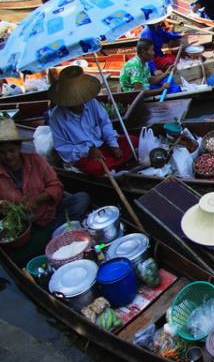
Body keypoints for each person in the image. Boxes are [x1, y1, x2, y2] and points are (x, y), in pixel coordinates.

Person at [0, 117, 90, 266]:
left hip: (50, 213)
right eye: (2, 153)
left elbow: (56, 186)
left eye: (11, 151)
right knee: (15, 257)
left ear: (19, 148)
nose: (8, 156)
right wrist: (6, 206)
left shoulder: (35, 160)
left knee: (82, 198)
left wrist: (37, 199)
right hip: (26, 227)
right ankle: (54, 235)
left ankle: (50, 236)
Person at [48, 66, 138, 177]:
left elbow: (105, 123)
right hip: (84, 156)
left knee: (133, 141)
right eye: (75, 102)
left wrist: (113, 144)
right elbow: (63, 148)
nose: (80, 104)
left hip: (102, 144)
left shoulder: (91, 102)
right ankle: (115, 166)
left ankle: (113, 165)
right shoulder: (56, 117)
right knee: (94, 168)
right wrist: (87, 151)